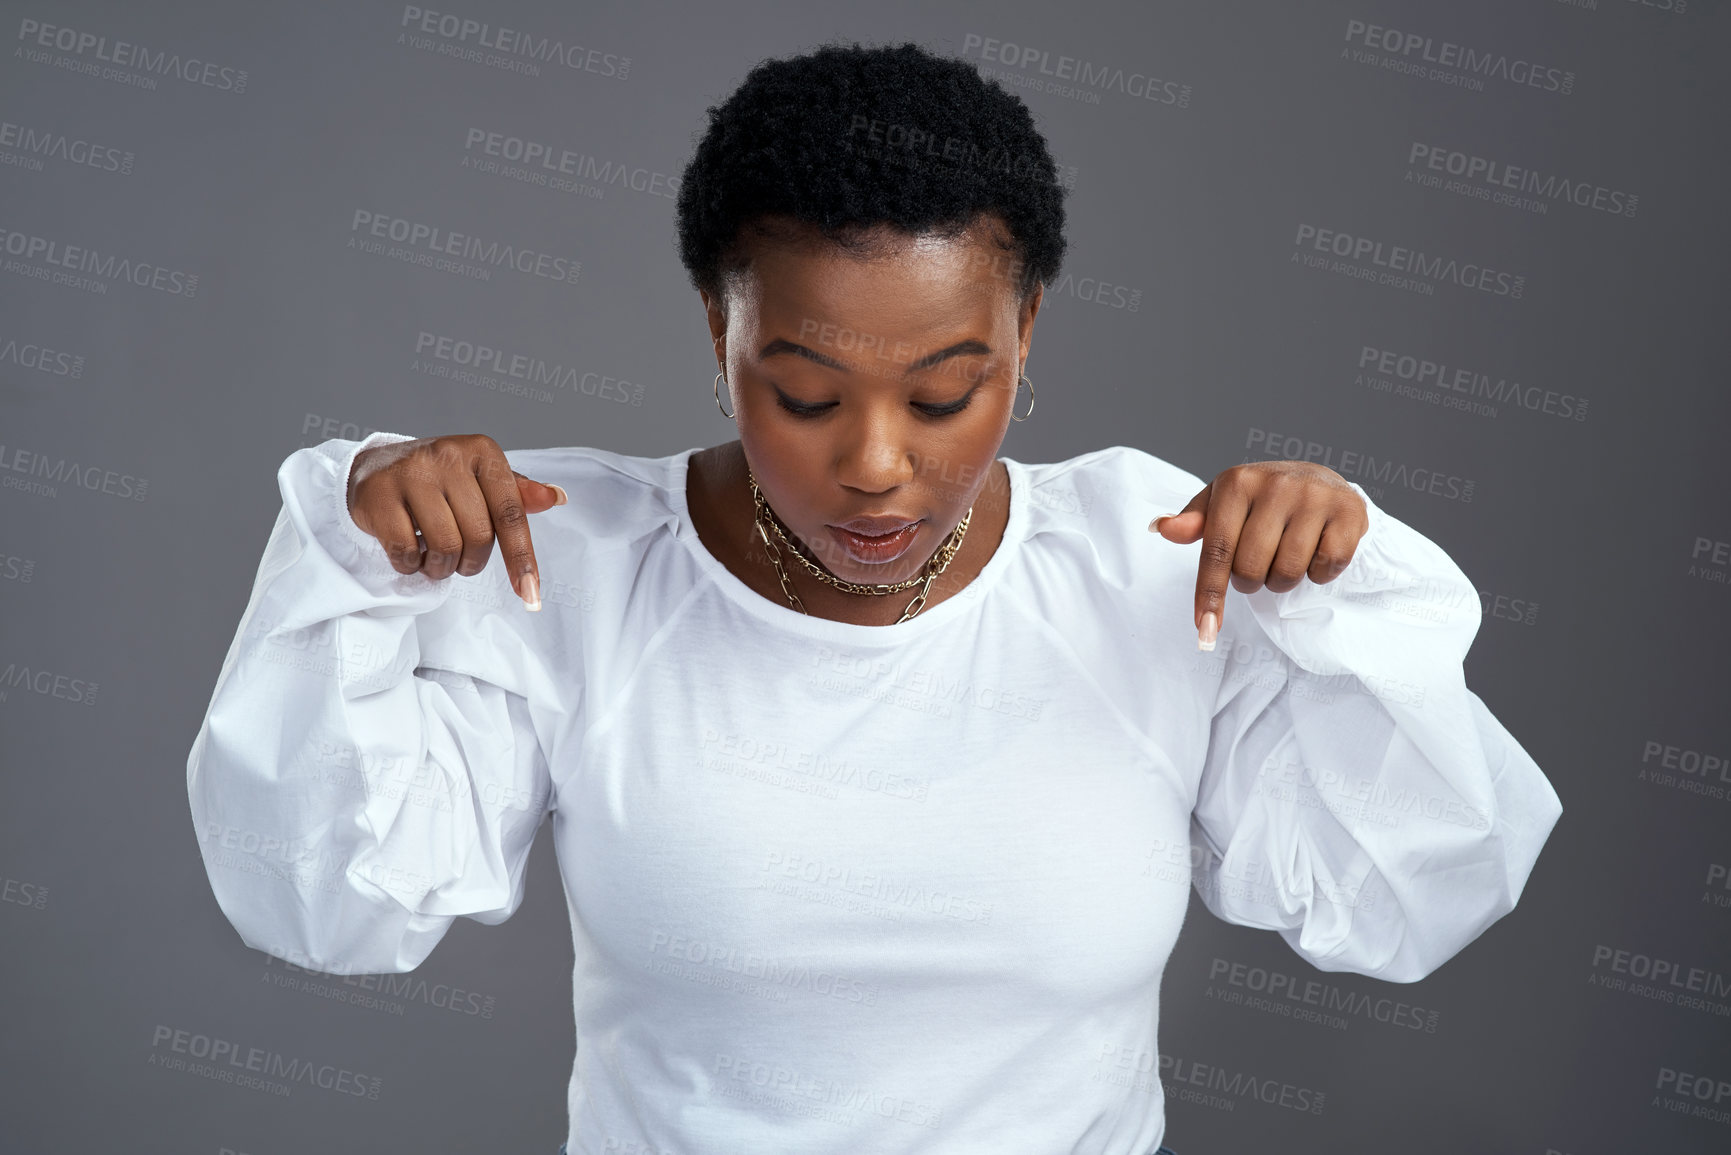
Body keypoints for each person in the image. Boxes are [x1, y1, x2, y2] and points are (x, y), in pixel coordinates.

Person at [185, 41, 1563, 1155]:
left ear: (1028, 335)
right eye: (802, 395)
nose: (877, 466)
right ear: (714, 336)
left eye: (949, 392)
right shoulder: (569, 561)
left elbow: (1414, 896)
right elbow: (325, 902)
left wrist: (1343, 592)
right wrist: (356, 563)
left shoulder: (1159, 560)